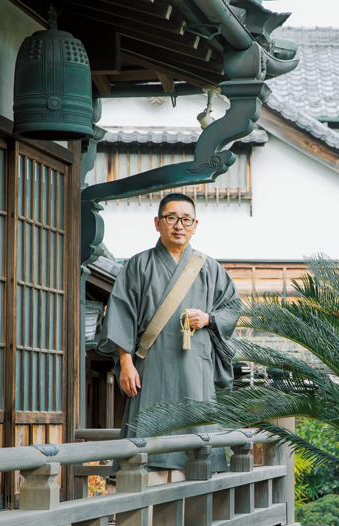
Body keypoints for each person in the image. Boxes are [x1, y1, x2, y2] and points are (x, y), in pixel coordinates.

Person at [97, 193, 240, 478]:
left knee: (199, 443)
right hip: (151, 367)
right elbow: (121, 315)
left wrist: (209, 319)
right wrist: (126, 364)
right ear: (157, 223)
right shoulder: (138, 266)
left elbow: (233, 307)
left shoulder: (210, 269)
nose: (179, 225)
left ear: (195, 225)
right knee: (145, 444)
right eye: (171, 218)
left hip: (195, 367)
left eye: (186, 219)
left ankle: (199, 504)